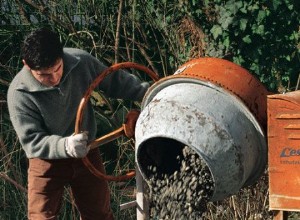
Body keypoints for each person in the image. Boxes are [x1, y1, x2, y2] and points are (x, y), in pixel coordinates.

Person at [7, 28, 150, 220]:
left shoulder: (80, 62)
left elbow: (116, 82)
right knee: (41, 216)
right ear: (27, 65)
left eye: (58, 68)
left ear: (62, 54)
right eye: (45, 75)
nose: (55, 78)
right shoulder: (19, 94)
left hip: (88, 151)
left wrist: (150, 93)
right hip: (45, 160)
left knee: (99, 214)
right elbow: (32, 141)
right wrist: (65, 145)